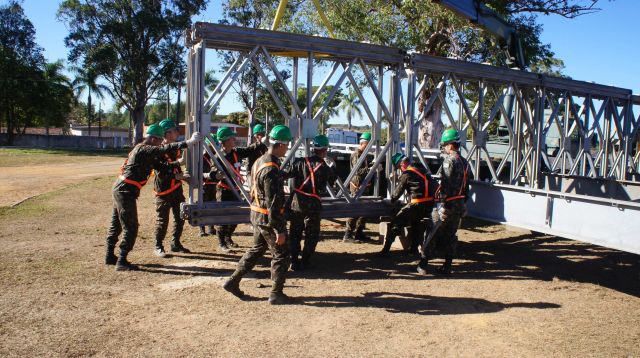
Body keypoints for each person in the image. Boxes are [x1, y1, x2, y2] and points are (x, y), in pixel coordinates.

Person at [105, 124, 200, 271]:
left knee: (117, 223)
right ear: (153, 138)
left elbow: (162, 167)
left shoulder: (147, 153)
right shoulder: (143, 149)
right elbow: (162, 149)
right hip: (125, 191)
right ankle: (122, 261)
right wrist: (188, 143)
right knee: (131, 227)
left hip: (123, 190)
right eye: (159, 139)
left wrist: (177, 164)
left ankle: (110, 255)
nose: (160, 142)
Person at [222, 125, 292, 305]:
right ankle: (276, 293)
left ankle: (233, 281)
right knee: (282, 254)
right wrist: (280, 229)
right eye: (287, 144)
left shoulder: (260, 161)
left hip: (257, 214)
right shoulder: (271, 168)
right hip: (267, 217)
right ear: (281, 145)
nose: (288, 148)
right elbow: (274, 203)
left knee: (257, 250)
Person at [205, 126, 267, 252]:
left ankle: (228, 238)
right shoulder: (218, 157)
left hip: (236, 190)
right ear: (226, 141)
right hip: (224, 191)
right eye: (232, 138)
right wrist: (216, 174)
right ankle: (221, 242)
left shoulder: (236, 152)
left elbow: (251, 149)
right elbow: (213, 172)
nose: (235, 139)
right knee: (223, 217)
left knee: (235, 218)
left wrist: (262, 141)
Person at [418, 128, 471, 275]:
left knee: (432, 232)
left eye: (445, 145)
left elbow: (446, 183)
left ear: (450, 145)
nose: (444, 148)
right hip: (459, 204)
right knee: (450, 235)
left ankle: (423, 264)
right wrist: (464, 203)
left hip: (447, 204)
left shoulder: (449, 161)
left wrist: (442, 204)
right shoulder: (465, 162)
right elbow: (467, 185)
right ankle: (447, 266)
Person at [282, 134, 337, 270]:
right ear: (324, 150)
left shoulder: (300, 162)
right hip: (314, 205)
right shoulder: (325, 167)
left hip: (297, 204)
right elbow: (332, 180)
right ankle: (306, 260)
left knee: (295, 233)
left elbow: (285, 174)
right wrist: (333, 166)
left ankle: (294, 261)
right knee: (312, 235)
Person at [378, 153, 436, 257]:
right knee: (415, 224)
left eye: (399, 167)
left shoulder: (407, 174)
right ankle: (413, 249)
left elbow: (396, 194)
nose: (400, 169)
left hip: (417, 204)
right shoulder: (422, 169)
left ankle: (385, 250)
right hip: (429, 204)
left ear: (402, 164)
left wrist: (390, 201)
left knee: (396, 223)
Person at [152, 119, 190, 257]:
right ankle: (158, 246)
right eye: (175, 130)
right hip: (164, 190)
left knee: (180, 216)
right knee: (163, 219)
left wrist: (183, 177)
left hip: (176, 189)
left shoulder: (175, 148)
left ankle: (175, 243)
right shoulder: (158, 150)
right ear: (167, 134)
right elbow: (162, 172)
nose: (177, 133)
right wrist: (178, 176)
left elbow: (176, 167)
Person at [343, 132, 374, 243]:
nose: (369, 147)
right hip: (356, 186)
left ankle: (359, 233)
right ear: (363, 143)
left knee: (363, 211)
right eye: (368, 144)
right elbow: (357, 171)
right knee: (355, 210)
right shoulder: (356, 154)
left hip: (362, 186)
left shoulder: (363, 154)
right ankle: (348, 234)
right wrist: (371, 168)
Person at [200, 133, 218, 237]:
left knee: (212, 207)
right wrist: (208, 175)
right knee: (202, 207)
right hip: (204, 185)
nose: (213, 148)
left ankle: (211, 228)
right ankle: (202, 229)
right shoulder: (202, 158)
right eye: (211, 146)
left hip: (214, 186)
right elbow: (199, 173)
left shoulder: (216, 157)